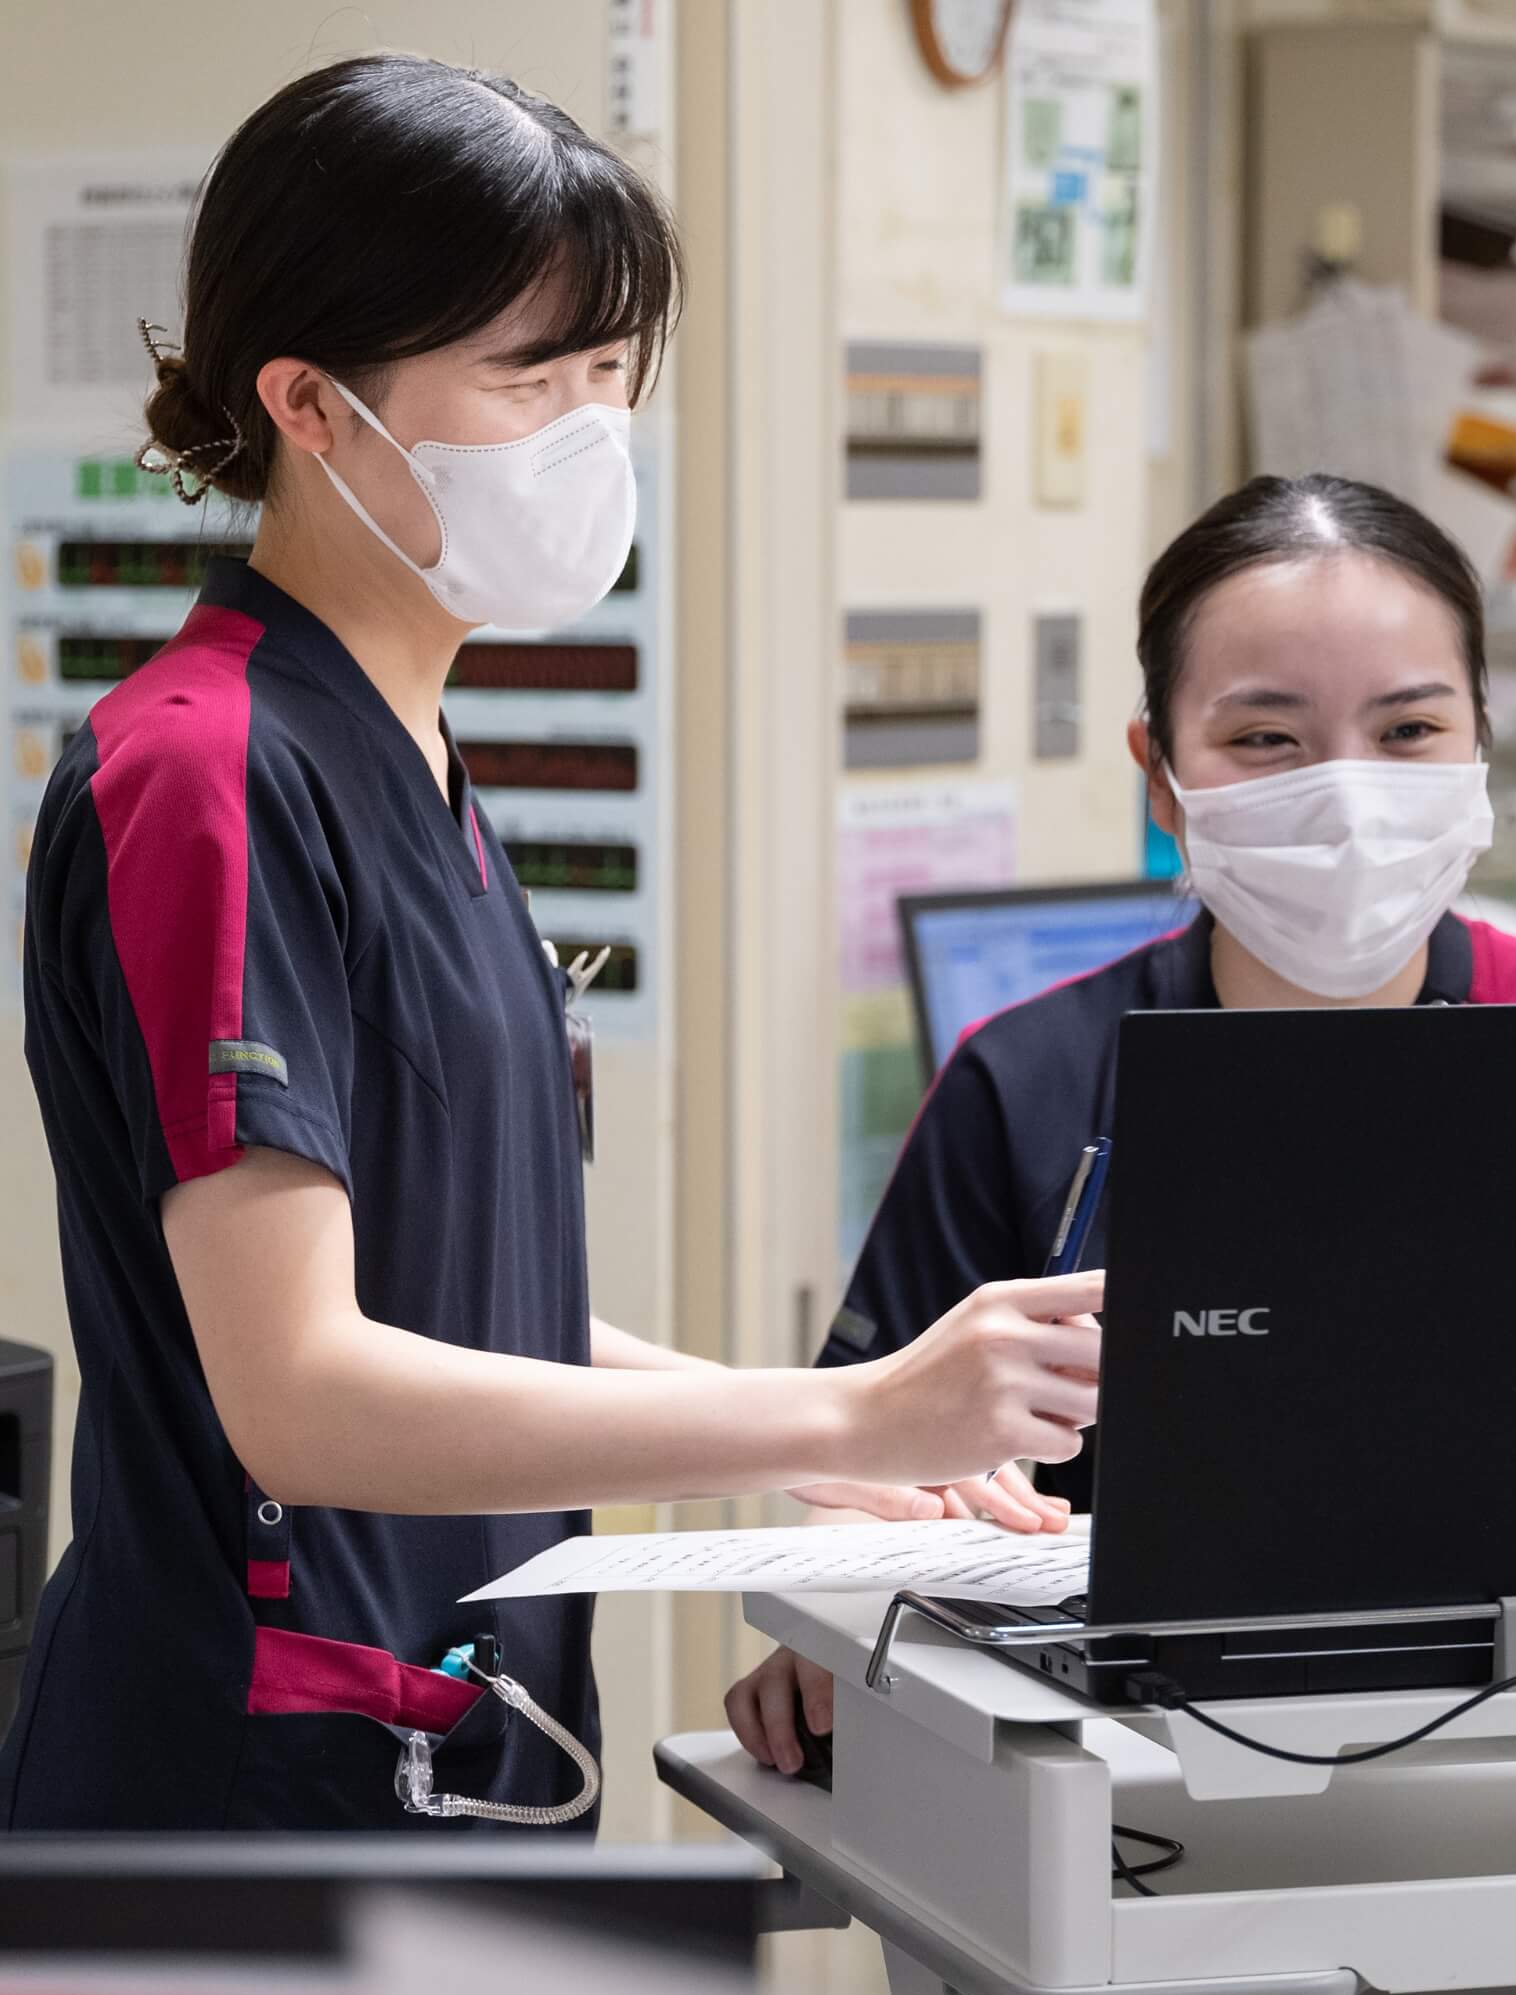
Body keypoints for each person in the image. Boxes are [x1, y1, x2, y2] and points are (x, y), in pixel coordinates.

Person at [4, 54, 1092, 1832]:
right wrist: (837, 1420)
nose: (593, 432)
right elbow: (305, 1392)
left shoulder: (409, 747)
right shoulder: (208, 770)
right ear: (312, 403)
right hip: (252, 1793)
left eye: (613, 374)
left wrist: (843, 1442)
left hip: (453, 1745)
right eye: (532, 375)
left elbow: (457, 1294)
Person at [726, 472, 1516, 1771]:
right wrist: (851, 1619)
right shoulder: (1035, 1084)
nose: (1347, 798)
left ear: (1479, 744)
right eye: (1268, 739)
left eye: (1407, 732)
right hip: (1110, 1776)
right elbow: (863, 1464)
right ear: (1162, 777)